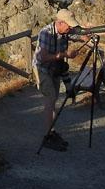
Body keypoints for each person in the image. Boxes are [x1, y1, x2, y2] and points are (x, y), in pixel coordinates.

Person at [33, 8, 82, 151]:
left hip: (55, 69)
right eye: (68, 25)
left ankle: (52, 132)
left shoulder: (65, 32)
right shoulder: (45, 33)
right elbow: (41, 57)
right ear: (60, 23)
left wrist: (88, 36)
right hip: (42, 69)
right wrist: (64, 54)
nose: (70, 28)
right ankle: (47, 136)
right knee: (50, 99)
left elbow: (78, 35)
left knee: (53, 100)